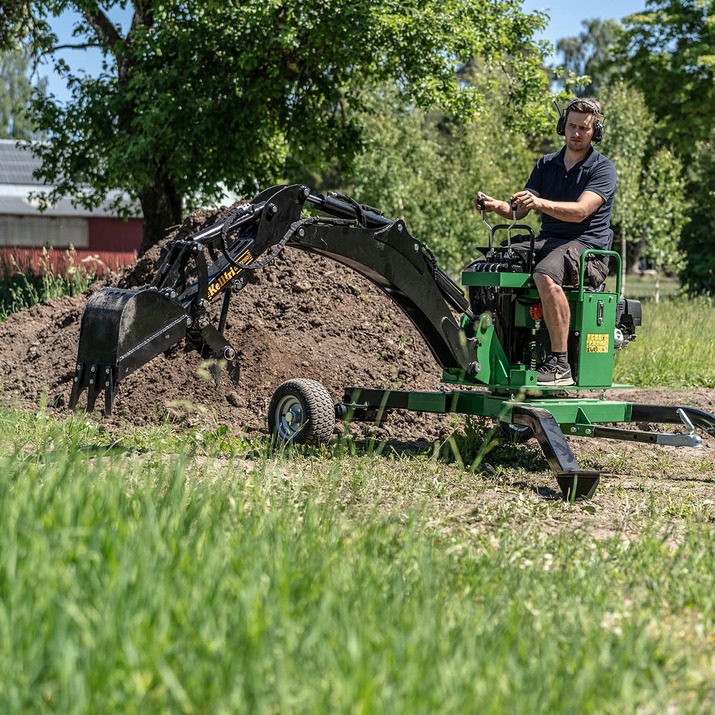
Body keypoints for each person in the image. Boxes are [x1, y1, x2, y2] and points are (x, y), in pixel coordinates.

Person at [475, 98, 617, 386]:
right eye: (572, 126)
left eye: (584, 128)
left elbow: (580, 212)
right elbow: (520, 210)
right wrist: (495, 205)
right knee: (484, 267)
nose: (576, 133)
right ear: (562, 127)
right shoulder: (546, 163)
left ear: (595, 132)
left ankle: (560, 364)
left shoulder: (603, 169)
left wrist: (539, 202)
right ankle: (487, 350)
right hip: (549, 242)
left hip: (588, 247)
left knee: (545, 274)